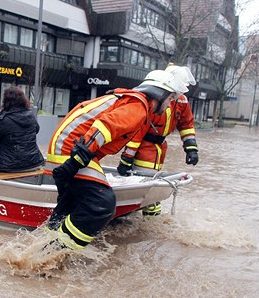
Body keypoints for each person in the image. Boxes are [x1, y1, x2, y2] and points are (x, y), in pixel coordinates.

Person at [44, 70, 189, 250]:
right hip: (71, 151)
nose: (169, 105)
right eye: (170, 99)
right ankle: (57, 251)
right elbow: (103, 128)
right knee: (101, 203)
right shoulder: (137, 106)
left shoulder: (132, 102)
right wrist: (75, 163)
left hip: (70, 147)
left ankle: (45, 242)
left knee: (72, 203)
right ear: (159, 94)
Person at [118, 64, 199, 216]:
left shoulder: (181, 101)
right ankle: (144, 217)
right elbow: (138, 131)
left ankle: (147, 218)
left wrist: (191, 148)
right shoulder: (155, 100)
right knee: (146, 185)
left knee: (151, 184)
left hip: (160, 148)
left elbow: (186, 124)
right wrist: (127, 158)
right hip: (145, 148)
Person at [0, 86, 44, 174]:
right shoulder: (30, 115)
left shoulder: (5, 119)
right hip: (33, 161)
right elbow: (36, 130)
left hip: (11, 165)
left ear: (6, 101)